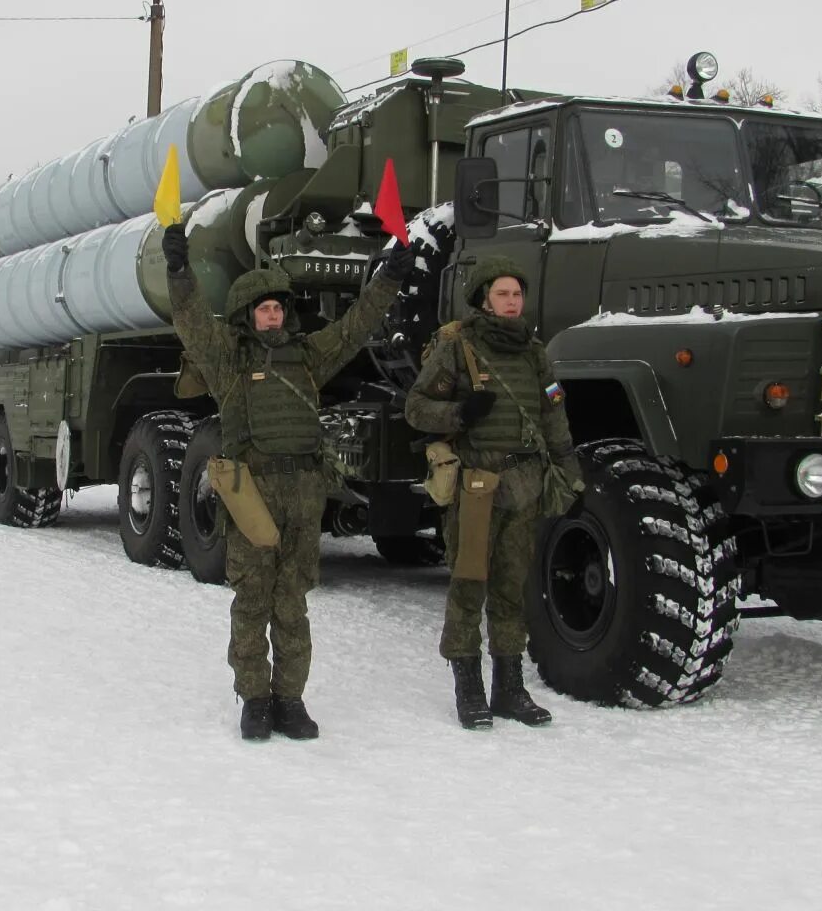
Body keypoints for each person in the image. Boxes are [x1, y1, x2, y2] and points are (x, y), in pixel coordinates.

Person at [163, 222, 416, 741]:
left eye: (279, 307)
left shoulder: (308, 356)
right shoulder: (228, 362)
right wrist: (178, 269)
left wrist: (389, 277)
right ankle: (255, 699)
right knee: (253, 599)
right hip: (252, 497)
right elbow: (190, 320)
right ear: (245, 316)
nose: (273, 315)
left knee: (293, 602)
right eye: (263, 309)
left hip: (302, 495)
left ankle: (291, 699)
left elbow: (355, 327)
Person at [405, 255, 584, 730]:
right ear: (485, 298)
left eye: (517, 294)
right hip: (476, 486)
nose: (511, 302)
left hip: (524, 485)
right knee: (468, 587)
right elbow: (416, 408)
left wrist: (570, 471)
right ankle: (470, 691)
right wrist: (461, 414)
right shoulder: (457, 346)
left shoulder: (533, 351)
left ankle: (510, 688)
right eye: (502, 293)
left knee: (512, 590)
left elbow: (553, 415)